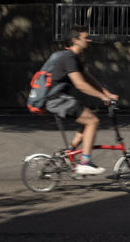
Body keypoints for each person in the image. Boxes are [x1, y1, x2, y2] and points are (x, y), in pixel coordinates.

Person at [44, 25, 119, 175]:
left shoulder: (73, 57)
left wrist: (107, 93)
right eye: (86, 37)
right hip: (57, 100)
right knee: (93, 121)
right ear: (75, 40)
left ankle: (69, 152)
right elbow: (80, 84)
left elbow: (89, 79)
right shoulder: (68, 57)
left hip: (62, 99)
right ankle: (85, 162)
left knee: (87, 122)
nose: (89, 40)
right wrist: (102, 97)